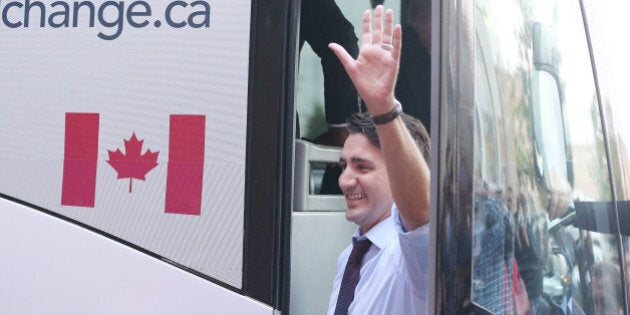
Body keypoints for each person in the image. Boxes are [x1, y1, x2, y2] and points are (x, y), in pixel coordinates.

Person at [326, 5, 431, 314]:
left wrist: (383, 106)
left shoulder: (411, 259)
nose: (345, 180)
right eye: (345, 165)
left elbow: (422, 212)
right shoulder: (351, 256)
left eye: (363, 166)